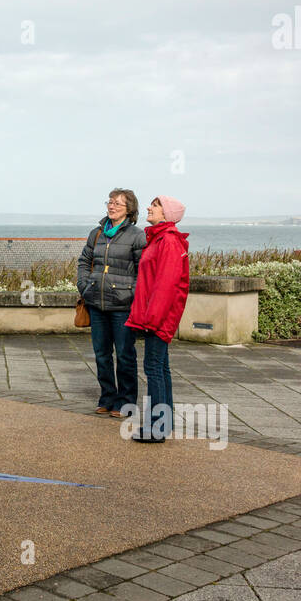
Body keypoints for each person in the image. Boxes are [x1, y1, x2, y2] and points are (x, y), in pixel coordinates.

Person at [124, 195, 190, 442]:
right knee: (161, 368)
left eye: (156, 205)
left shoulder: (169, 242)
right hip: (155, 315)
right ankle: (163, 425)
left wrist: (150, 320)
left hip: (158, 317)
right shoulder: (160, 238)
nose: (149, 208)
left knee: (154, 368)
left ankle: (156, 428)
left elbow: (166, 285)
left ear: (167, 213)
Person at [77, 189, 147, 418]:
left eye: (118, 203)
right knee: (101, 354)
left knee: (125, 355)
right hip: (96, 303)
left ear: (129, 209)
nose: (112, 206)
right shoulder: (96, 233)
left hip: (123, 306)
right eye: (110, 202)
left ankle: (126, 403)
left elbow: (142, 271)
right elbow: (84, 261)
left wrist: (131, 294)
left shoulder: (137, 235)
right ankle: (107, 397)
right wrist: (85, 286)